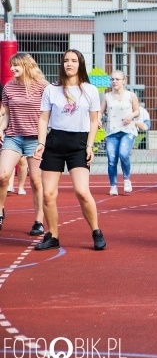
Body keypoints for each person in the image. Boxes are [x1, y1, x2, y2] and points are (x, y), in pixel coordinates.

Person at [33, 49, 106, 251]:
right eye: (66, 60)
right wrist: (41, 143)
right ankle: (53, 235)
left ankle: (96, 232)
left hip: (79, 143)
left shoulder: (89, 90)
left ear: (80, 64)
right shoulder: (51, 89)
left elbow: (94, 120)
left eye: (73, 60)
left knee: (82, 192)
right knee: (48, 194)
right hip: (55, 141)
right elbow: (43, 118)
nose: (69, 64)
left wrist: (90, 145)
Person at [0, 53, 48, 236]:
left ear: (26, 65)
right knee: (3, 175)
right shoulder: (8, 88)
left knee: (36, 181)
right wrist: (1, 128)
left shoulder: (43, 87)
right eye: (11, 65)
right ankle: (0, 210)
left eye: (16, 65)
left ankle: (38, 221)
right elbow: (7, 115)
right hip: (13, 136)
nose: (12, 69)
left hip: (35, 139)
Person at [101, 70, 140, 195]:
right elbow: (100, 112)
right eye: (112, 79)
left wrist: (131, 116)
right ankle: (113, 185)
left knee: (123, 154)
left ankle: (126, 178)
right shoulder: (107, 96)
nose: (114, 82)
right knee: (112, 159)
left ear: (124, 80)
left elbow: (137, 110)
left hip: (127, 130)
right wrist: (98, 120)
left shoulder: (131, 95)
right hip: (112, 131)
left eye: (117, 79)